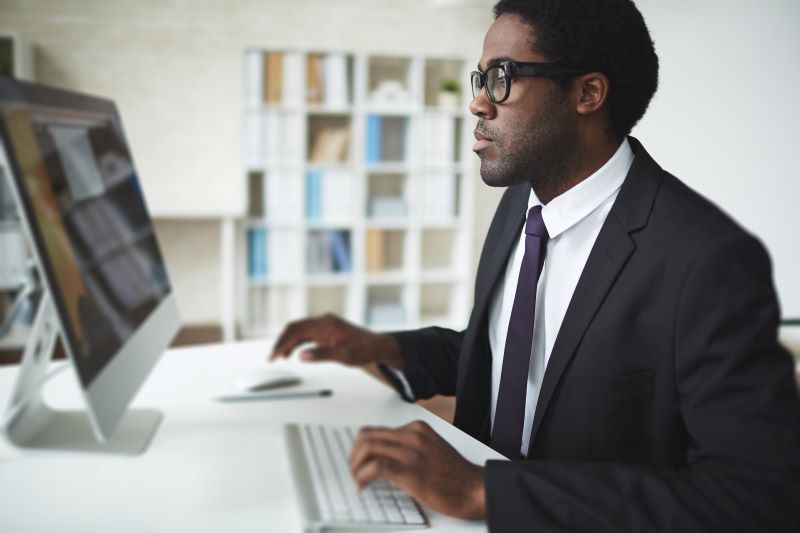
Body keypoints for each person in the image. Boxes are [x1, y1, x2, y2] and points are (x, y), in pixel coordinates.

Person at [271, 0, 800, 530]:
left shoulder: (709, 261)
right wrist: (383, 348)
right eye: (480, 77)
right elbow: (506, 355)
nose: (478, 103)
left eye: (501, 77)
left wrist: (486, 490)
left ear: (587, 93)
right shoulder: (522, 204)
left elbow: (756, 495)